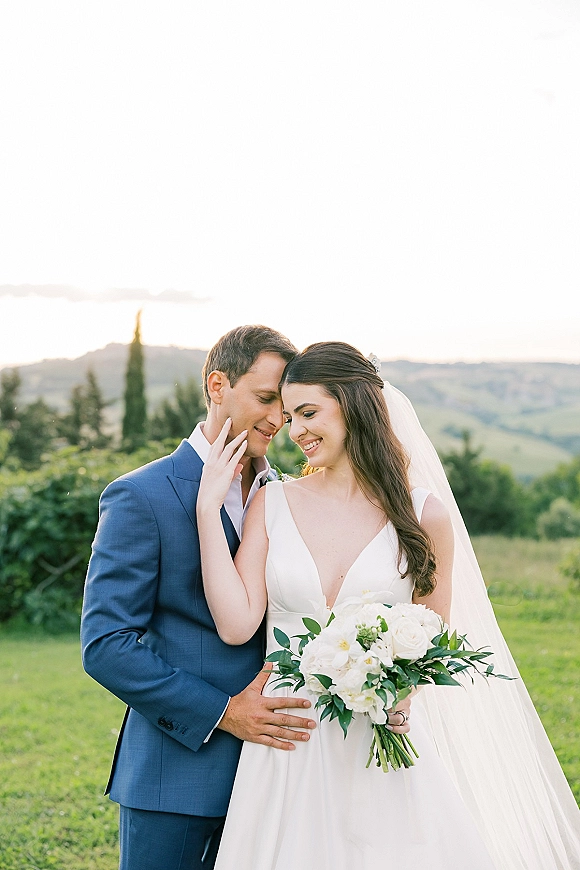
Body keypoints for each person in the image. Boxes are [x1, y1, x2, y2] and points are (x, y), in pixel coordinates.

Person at [196, 341, 580, 870]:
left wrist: (397, 692)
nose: (297, 431)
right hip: (287, 739)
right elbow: (238, 625)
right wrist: (205, 510)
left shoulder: (422, 515)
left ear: (353, 405)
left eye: (309, 413)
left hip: (377, 736)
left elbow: (432, 639)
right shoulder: (273, 501)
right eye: (289, 418)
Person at [81, 325, 319, 870]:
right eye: (264, 399)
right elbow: (107, 645)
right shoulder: (141, 495)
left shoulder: (283, 496)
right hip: (175, 779)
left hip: (278, 773)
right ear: (217, 385)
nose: (278, 420)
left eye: (283, 406)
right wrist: (225, 712)